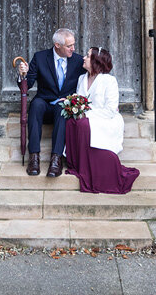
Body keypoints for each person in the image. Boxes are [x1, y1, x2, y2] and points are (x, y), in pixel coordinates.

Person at [64, 47, 140, 194]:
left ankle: (92, 168)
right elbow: (80, 100)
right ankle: (79, 164)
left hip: (106, 119)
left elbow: (111, 109)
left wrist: (86, 115)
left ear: (95, 61)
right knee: (71, 122)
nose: (83, 58)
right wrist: (73, 104)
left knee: (83, 125)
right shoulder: (82, 78)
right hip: (85, 117)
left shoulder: (109, 81)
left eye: (87, 56)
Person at [17, 28, 86, 177]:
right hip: (45, 101)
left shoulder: (78, 61)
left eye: (73, 45)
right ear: (57, 45)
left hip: (64, 103)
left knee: (63, 109)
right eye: (69, 46)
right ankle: (34, 157)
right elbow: (26, 85)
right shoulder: (40, 57)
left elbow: (88, 84)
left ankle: (56, 159)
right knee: (35, 105)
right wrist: (23, 74)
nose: (73, 49)